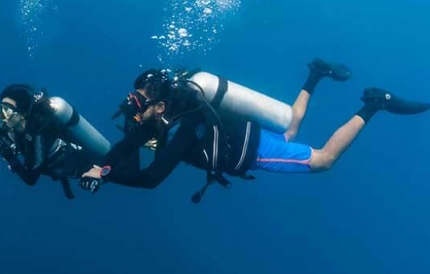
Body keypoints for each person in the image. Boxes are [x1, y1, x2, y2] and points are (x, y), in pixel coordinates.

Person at [79, 59, 430, 202]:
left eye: (141, 107)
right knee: (291, 129)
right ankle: (316, 73)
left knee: (324, 160)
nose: (137, 117)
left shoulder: (184, 124)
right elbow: (129, 144)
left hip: (251, 151)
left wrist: (106, 176)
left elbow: (151, 178)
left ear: (159, 105)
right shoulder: (177, 111)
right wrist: (101, 167)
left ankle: (375, 104)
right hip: (247, 135)